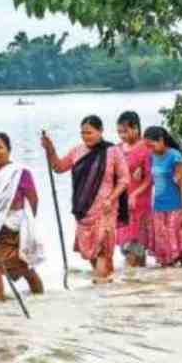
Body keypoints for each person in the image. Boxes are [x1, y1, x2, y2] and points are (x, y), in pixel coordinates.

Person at [41, 115, 129, 282]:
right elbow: (59, 168)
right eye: (83, 133)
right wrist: (50, 149)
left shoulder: (113, 151)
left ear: (100, 131)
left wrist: (111, 199)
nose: (85, 136)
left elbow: (125, 180)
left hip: (105, 208)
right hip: (83, 209)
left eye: (89, 132)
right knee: (91, 252)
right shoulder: (77, 151)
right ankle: (105, 284)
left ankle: (100, 286)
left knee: (103, 249)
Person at [0, 132, 45, 301]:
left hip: (15, 226)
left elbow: (33, 198)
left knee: (20, 266)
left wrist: (27, 225)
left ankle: (38, 299)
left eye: (0, 147)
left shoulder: (20, 172)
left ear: (8, 149)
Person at [144, 126, 182, 267]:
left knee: (181, 249)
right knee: (164, 251)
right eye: (147, 146)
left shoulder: (174, 156)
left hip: (176, 207)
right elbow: (152, 180)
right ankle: (168, 286)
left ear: (161, 140)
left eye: (152, 145)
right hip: (159, 208)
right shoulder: (151, 157)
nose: (150, 149)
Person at [115, 111, 153, 267]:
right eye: (119, 132)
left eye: (125, 131)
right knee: (128, 248)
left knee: (134, 246)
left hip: (140, 204)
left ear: (136, 128)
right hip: (122, 203)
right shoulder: (117, 149)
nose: (122, 135)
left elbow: (150, 179)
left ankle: (129, 283)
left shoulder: (146, 148)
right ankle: (140, 286)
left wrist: (135, 194)